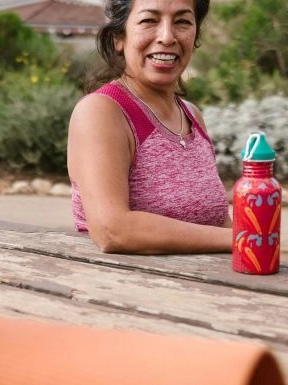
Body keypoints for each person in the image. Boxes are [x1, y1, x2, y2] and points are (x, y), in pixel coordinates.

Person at [68, 0, 231, 255]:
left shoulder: (192, 115)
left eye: (182, 22)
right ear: (118, 39)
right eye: (149, 21)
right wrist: (242, 239)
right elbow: (113, 230)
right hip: (128, 290)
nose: (167, 37)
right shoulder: (102, 112)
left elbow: (217, 223)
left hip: (206, 289)